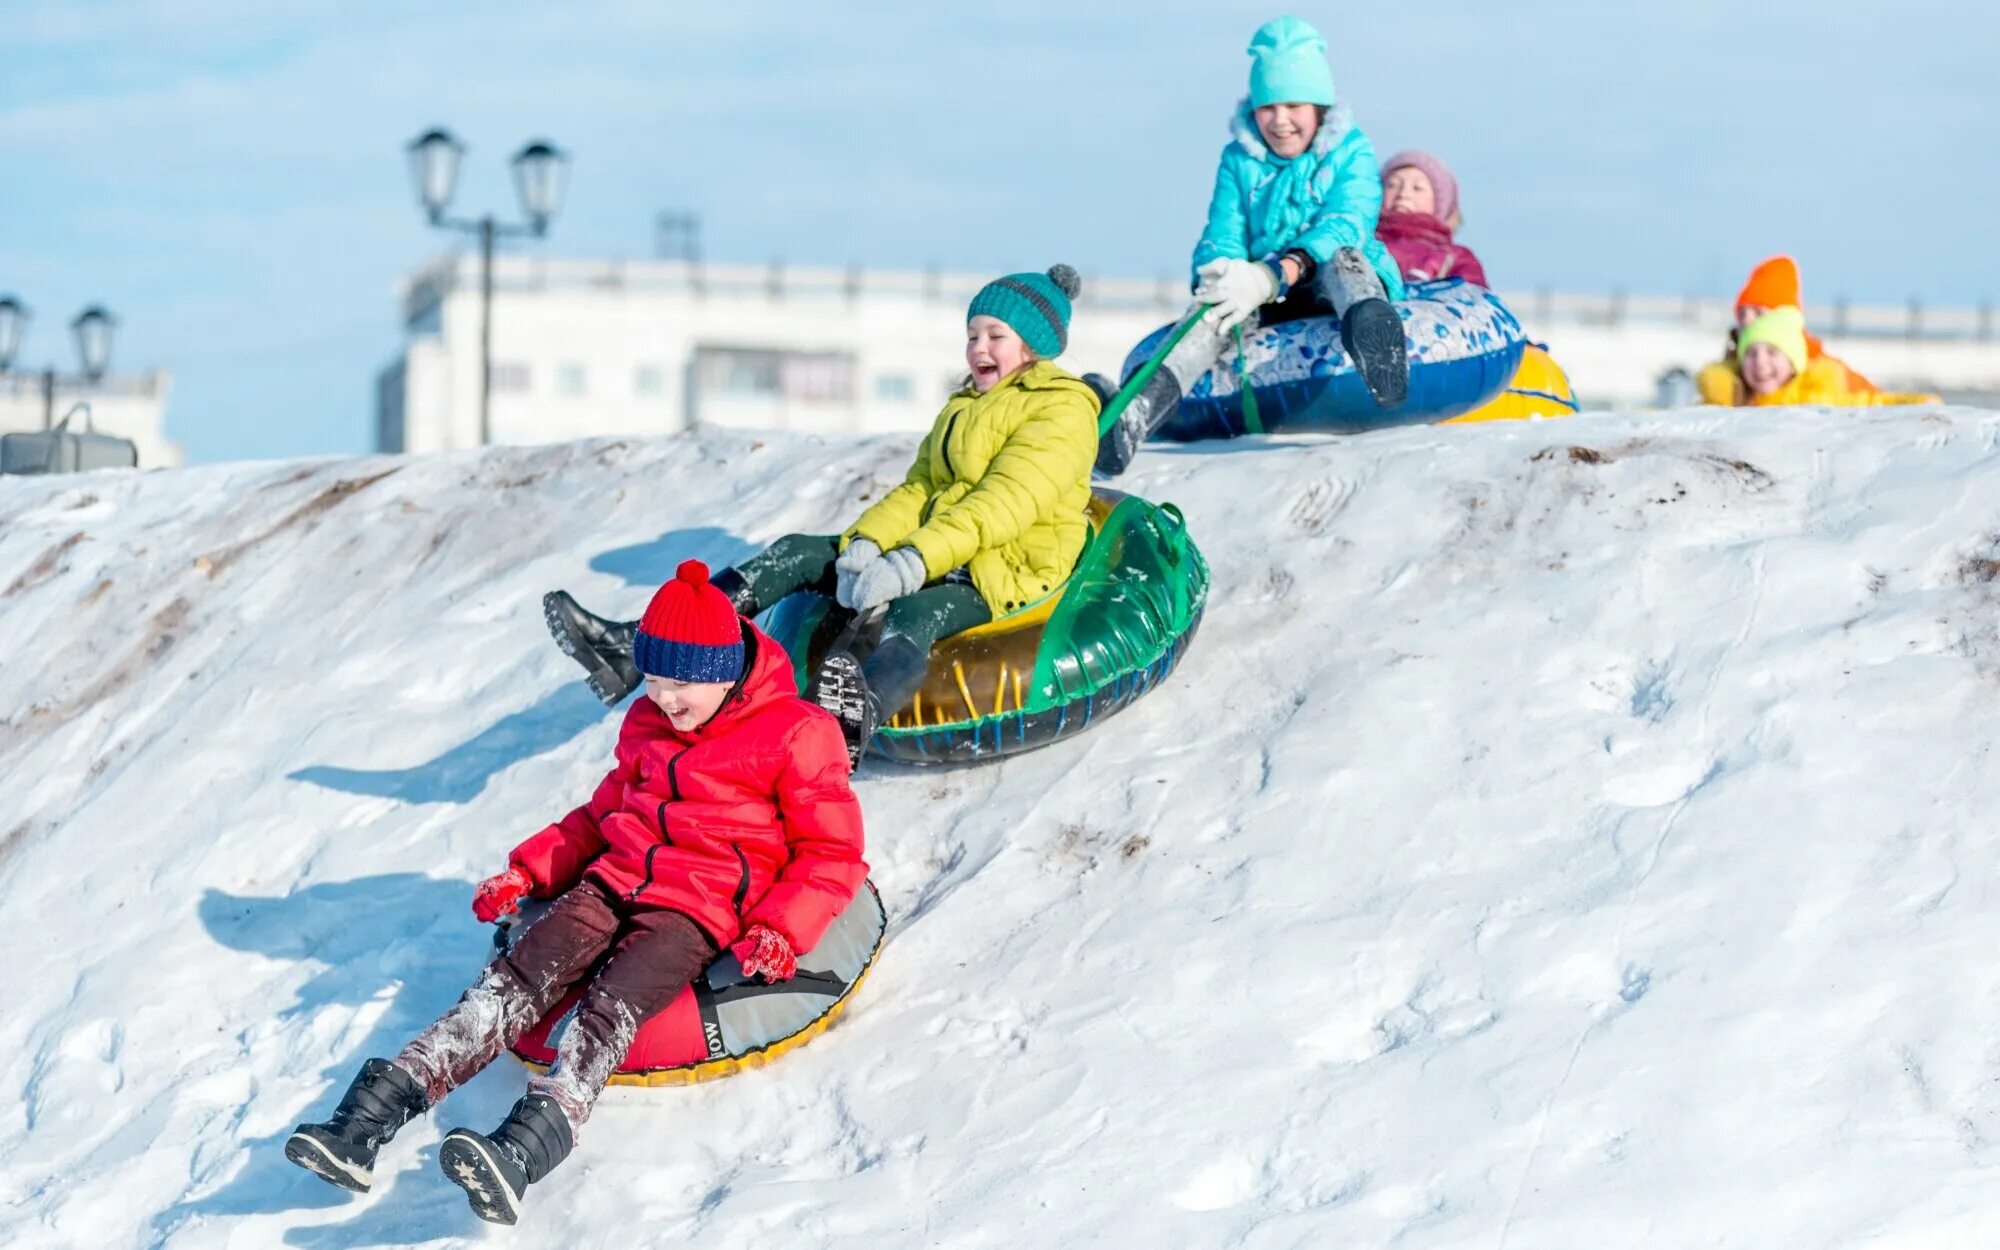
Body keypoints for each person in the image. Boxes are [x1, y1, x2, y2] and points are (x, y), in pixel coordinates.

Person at [285, 561, 865, 1224]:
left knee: (608, 1010)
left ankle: (522, 1151)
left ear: (724, 669)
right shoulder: (648, 725)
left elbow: (831, 851)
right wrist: (527, 873)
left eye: (682, 683)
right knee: (510, 983)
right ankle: (365, 1122)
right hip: (611, 883)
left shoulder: (793, 734)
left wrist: (779, 930)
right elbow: (599, 818)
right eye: (653, 679)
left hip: (693, 912)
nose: (666, 698)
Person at [546, 265, 1100, 766]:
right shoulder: (964, 407)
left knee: (915, 614)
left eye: (995, 336)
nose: (978, 347)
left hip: (1005, 565)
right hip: (940, 547)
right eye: (972, 335)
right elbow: (921, 489)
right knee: (799, 553)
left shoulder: (1062, 410)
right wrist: (864, 544)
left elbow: (1000, 506)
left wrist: (909, 563)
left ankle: (850, 723)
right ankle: (635, 646)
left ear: (1033, 346)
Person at [1094, 15, 1409, 477]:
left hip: (1327, 276)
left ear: (1319, 107)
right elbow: (1222, 229)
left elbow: (1347, 221)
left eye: (1293, 105)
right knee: (1213, 312)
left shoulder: (1352, 151)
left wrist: (1279, 270)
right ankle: (1133, 418)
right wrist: (1218, 271)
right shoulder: (1238, 159)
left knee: (1347, 261)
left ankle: (1377, 348)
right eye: (1267, 108)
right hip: (1265, 288)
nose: (1279, 122)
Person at [1695, 255, 1880, 405]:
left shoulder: (1824, 371)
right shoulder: (1727, 372)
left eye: (1759, 312)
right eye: (1742, 312)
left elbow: (1874, 402)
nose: (1747, 321)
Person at [1735, 307, 1938, 407]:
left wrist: (1913, 402)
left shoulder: (1814, 399)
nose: (1760, 362)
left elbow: (1868, 403)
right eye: (1751, 354)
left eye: (1772, 352)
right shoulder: (1734, 400)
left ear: (1793, 362)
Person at [1375, 149, 1488, 287]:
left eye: (1417, 188)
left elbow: (1475, 301)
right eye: (1392, 185)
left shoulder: (1455, 258)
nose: (1403, 194)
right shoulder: (1363, 244)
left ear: (1440, 203)